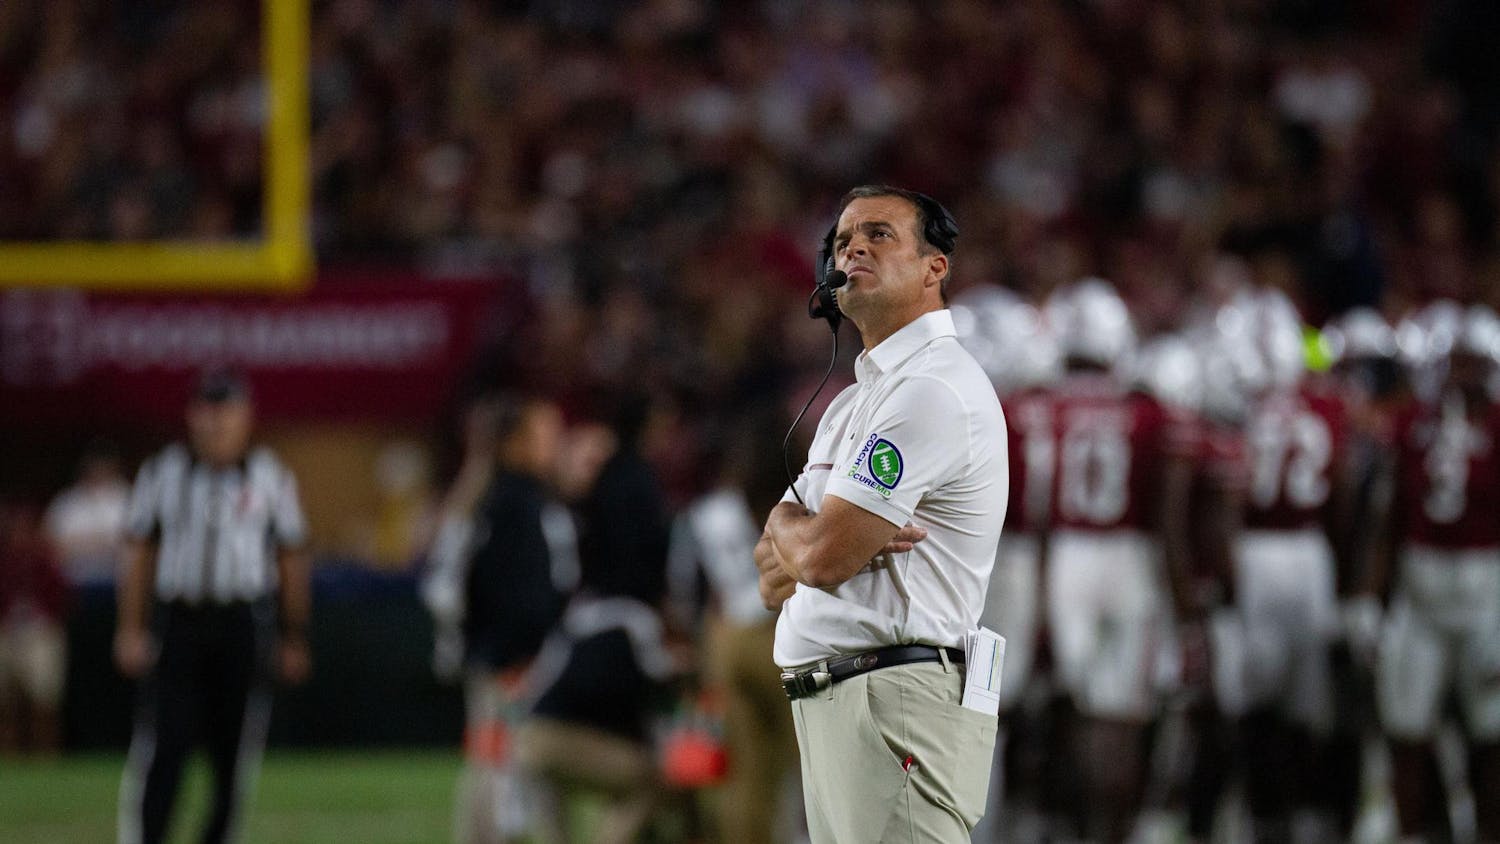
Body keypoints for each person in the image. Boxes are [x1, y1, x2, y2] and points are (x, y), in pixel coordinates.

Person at [756, 185, 1008, 842]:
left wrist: (802, 535)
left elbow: (819, 559)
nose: (854, 248)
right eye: (841, 242)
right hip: (850, 698)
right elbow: (772, 575)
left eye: (879, 234)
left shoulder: (931, 388)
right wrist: (801, 534)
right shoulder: (851, 404)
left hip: (893, 700)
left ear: (935, 268)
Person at [115, 370, 311, 844]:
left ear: (246, 418)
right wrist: (130, 627)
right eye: (208, 413)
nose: (217, 426)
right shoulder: (164, 472)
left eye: (227, 414)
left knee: (233, 753)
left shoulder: (269, 475)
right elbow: (139, 551)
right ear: (192, 417)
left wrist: (294, 632)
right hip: (180, 620)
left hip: (241, 621)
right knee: (165, 744)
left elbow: (291, 556)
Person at [1364, 304, 1500, 844]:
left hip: (1487, 590)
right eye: (1456, 364)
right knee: (1407, 730)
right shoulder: (1411, 424)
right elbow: (1384, 515)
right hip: (1419, 589)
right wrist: (1368, 600)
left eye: (1474, 365)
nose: (1462, 377)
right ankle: (1414, 835)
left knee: (1492, 736)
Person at [515, 393, 678, 844]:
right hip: (561, 735)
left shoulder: (581, 618)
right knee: (650, 781)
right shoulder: (632, 621)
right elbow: (648, 690)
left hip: (527, 733)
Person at [422, 393, 577, 844]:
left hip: (498, 658)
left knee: (494, 766)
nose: (555, 444)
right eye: (544, 435)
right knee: (507, 771)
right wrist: (521, 650)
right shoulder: (513, 504)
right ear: (514, 444)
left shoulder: (493, 500)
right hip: (514, 662)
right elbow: (513, 592)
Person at [0, 503, 71, 755]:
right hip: (7, 632)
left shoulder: (46, 562)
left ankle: (46, 753)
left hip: (41, 632)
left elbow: (64, 597)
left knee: (44, 697)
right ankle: (8, 753)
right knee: (6, 700)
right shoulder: (5, 563)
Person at [45, 441, 132, 588]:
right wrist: (97, 543)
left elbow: (133, 542)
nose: (99, 470)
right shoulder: (67, 501)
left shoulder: (126, 497)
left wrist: (89, 544)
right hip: (73, 583)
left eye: (104, 465)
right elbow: (49, 541)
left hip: (117, 583)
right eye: (94, 466)